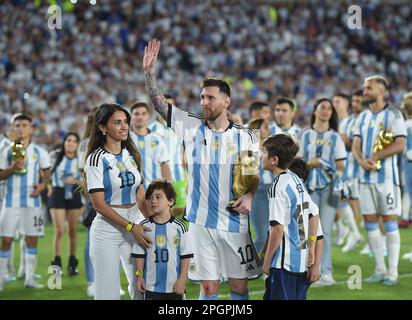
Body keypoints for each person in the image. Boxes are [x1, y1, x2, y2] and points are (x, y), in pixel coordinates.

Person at [143, 39, 261, 300]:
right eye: (202, 97)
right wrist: (149, 73)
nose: (204, 102)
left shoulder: (247, 136)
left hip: (233, 221)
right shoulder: (189, 126)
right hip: (199, 220)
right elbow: (159, 103)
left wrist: (250, 195)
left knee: (238, 287)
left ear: (226, 101)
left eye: (210, 97)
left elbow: (253, 176)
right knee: (208, 287)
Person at [83, 103, 151, 300]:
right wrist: (131, 227)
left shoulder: (130, 154)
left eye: (125, 122)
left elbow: (140, 193)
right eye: (117, 123)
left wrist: (154, 224)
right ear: (103, 128)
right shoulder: (95, 159)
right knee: (108, 294)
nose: (124, 127)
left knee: (143, 288)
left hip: (135, 223)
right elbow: (98, 205)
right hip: (108, 229)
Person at [352, 75, 406, 286]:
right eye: (364, 87)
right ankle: (379, 268)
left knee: (390, 221)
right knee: (370, 223)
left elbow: (400, 144)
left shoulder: (393, 114)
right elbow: (356, 144)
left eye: (368, 88)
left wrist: (376, 157)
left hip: (387, 179)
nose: (365, 91)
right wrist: (360, 161)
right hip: (365, 178)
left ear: (381, 91)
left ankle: (392, 272)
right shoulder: (363, 117)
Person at [261, 134, 320, 300]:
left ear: (274, 160)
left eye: (264, 152)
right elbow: (314, 214)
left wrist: (267, 260)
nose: (260, 156)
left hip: (283, 263)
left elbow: (278, 229)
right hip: (300, 260)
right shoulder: (295, 179)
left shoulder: (277, 187)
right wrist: (310, 248)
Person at [297, 98, 346, 286]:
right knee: (308, 230)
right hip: (308, 188)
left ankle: (325, 271)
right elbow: (298, 163)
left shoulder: (336, 137)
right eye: (322, 107)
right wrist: (310, 164)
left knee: (324, 229)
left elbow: (342, 166)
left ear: (332, 114)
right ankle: (308, 268)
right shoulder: (305, 135)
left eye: (329, 108)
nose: (326, 111)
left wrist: (326, 166)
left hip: (330, 188)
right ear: (315, 111)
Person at [0, 114, 51, 290]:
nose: (20, 128)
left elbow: (47, 173)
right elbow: (0, 175)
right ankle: (0, 280)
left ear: (32, 129)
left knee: (32, 239)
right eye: (17, 125)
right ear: (13, 129)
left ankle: (29, 278)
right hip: (10, 202)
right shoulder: (6, 150)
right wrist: (13, 167)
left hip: (33, 203)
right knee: (6, 240)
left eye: (24, 125)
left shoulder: (39, 151)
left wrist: (42, 186)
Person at [133, 180, 193, 300]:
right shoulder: (143, 227)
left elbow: (186, 256)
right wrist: (139, 276)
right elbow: (139, 255)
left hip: (174, 287)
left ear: (170, 201)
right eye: (150, 198)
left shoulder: (179, 227)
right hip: (151, 288)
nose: (153, 201)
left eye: (158, 197)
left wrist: (182, 280)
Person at [48, 132, 83, 276]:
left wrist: (76, 181)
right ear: (64, 142)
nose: (71, 143)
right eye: (68, 140)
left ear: (77, 144)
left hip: (74, 194)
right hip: (58, 193)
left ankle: (72, 263)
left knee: (73, 231)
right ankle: (56, 264)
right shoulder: (55, 155)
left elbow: (86, 181)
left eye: (74, 141)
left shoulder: (81, 159)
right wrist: (49, 187)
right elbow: (44, 173)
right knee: (60, 230)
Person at [332, 93, 363, 251]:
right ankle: (349, 231)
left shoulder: (352, 121)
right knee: (340, 201)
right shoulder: (339, 122)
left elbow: (355, 144)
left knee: (352, 201)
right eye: (334, 102)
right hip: (340, 167)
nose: (334, 104)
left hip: (353, 167)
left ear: (346, 103)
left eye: (338, 101)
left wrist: (340, 139)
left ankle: (353, 233)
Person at [148, 95, 188, 218]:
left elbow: (182, 150)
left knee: (181, 211)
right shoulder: (150, 129)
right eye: (164, 105)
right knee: (160, 213)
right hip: (158, 177)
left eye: (170, 105)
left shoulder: (179, 127)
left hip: (179, 176)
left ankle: (178, 236)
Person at [129, 101, 171, 189]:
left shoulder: (158, 139)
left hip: (153, 190)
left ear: (148, 116)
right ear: (131, 117)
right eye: (136, 114)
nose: (140, 117)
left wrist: (168, 187)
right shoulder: (125, 140)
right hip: (130, 192)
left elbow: (164, 164)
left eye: (143, 113)